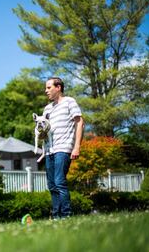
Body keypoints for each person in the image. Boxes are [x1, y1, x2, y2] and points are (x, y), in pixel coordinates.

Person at [43, 77, 84, 219]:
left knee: (60, 182)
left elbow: (79, 122)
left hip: (63, 148)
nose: (46, 91)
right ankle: (56, 217)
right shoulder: (47, 108)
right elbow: (44, 129)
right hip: (49, 151)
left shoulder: (69, 102)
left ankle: (66, 216)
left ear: (58, 87)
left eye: (49, 88)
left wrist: (76, 147)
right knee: (52, 185)